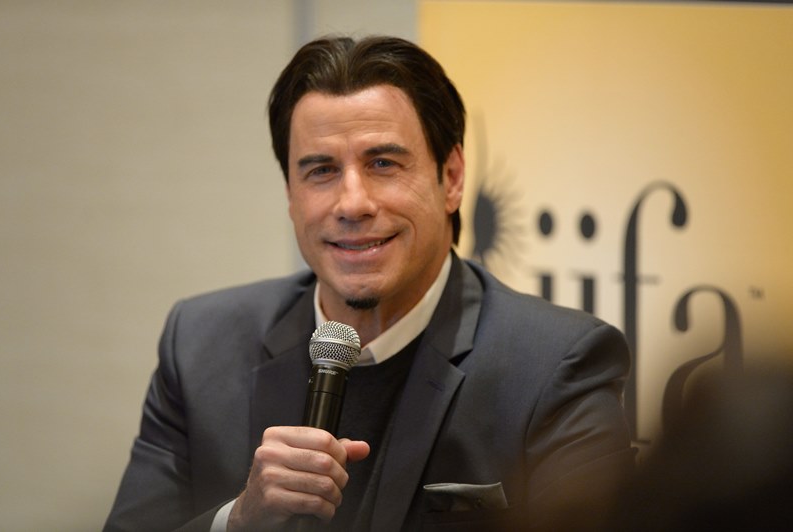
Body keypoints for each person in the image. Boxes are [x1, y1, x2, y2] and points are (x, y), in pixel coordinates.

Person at [104, 35, 634, 532]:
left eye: (383, 163)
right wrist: (239, 520)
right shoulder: (200, 346)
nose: (352, 203)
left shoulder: (556, 367)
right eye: (321, 170)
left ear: (451, 178)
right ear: (290, 194)